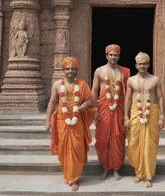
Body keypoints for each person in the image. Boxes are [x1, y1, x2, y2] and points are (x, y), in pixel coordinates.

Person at [45, 57, 93, 191]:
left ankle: (74, 178)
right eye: (67, 69)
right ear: (64, 70)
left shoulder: (82, 84)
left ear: (76, 70)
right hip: (62, 119)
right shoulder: (57, 85)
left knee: (77, 147)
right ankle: (69, 174)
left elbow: (90, 100)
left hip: (78, 119)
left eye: (73, 69)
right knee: (63, 148)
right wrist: (47, 120)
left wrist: (83, 105)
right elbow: (52, 102)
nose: (70, 71)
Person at [124, 52, 165, 188]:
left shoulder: (155, 80)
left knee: (149, 146)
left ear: (148, 64)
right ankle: (138, 172)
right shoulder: (131, 80)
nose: (142, 66)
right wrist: (125, 116)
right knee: (134, 143)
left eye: (145, 63)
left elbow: (160, 98)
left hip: (151, 113)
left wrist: (162, 116)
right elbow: (128, 99)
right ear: (136, 65)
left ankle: (148, 175)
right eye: (140, 64)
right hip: (136, 112)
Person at [91, 44, 130, 180]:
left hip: (119, 109)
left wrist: (127, 114)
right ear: (106, 56)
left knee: (118, 138)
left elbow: (127, 94)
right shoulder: (99, 71)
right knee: (103, 139)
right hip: (103, 108)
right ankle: (105, 168)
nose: (113, 57)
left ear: (119, 56)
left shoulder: (125, 71)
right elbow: (94, 90)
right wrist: (94, 109)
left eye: (116, 55)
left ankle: (116, 168)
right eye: (111, 55)